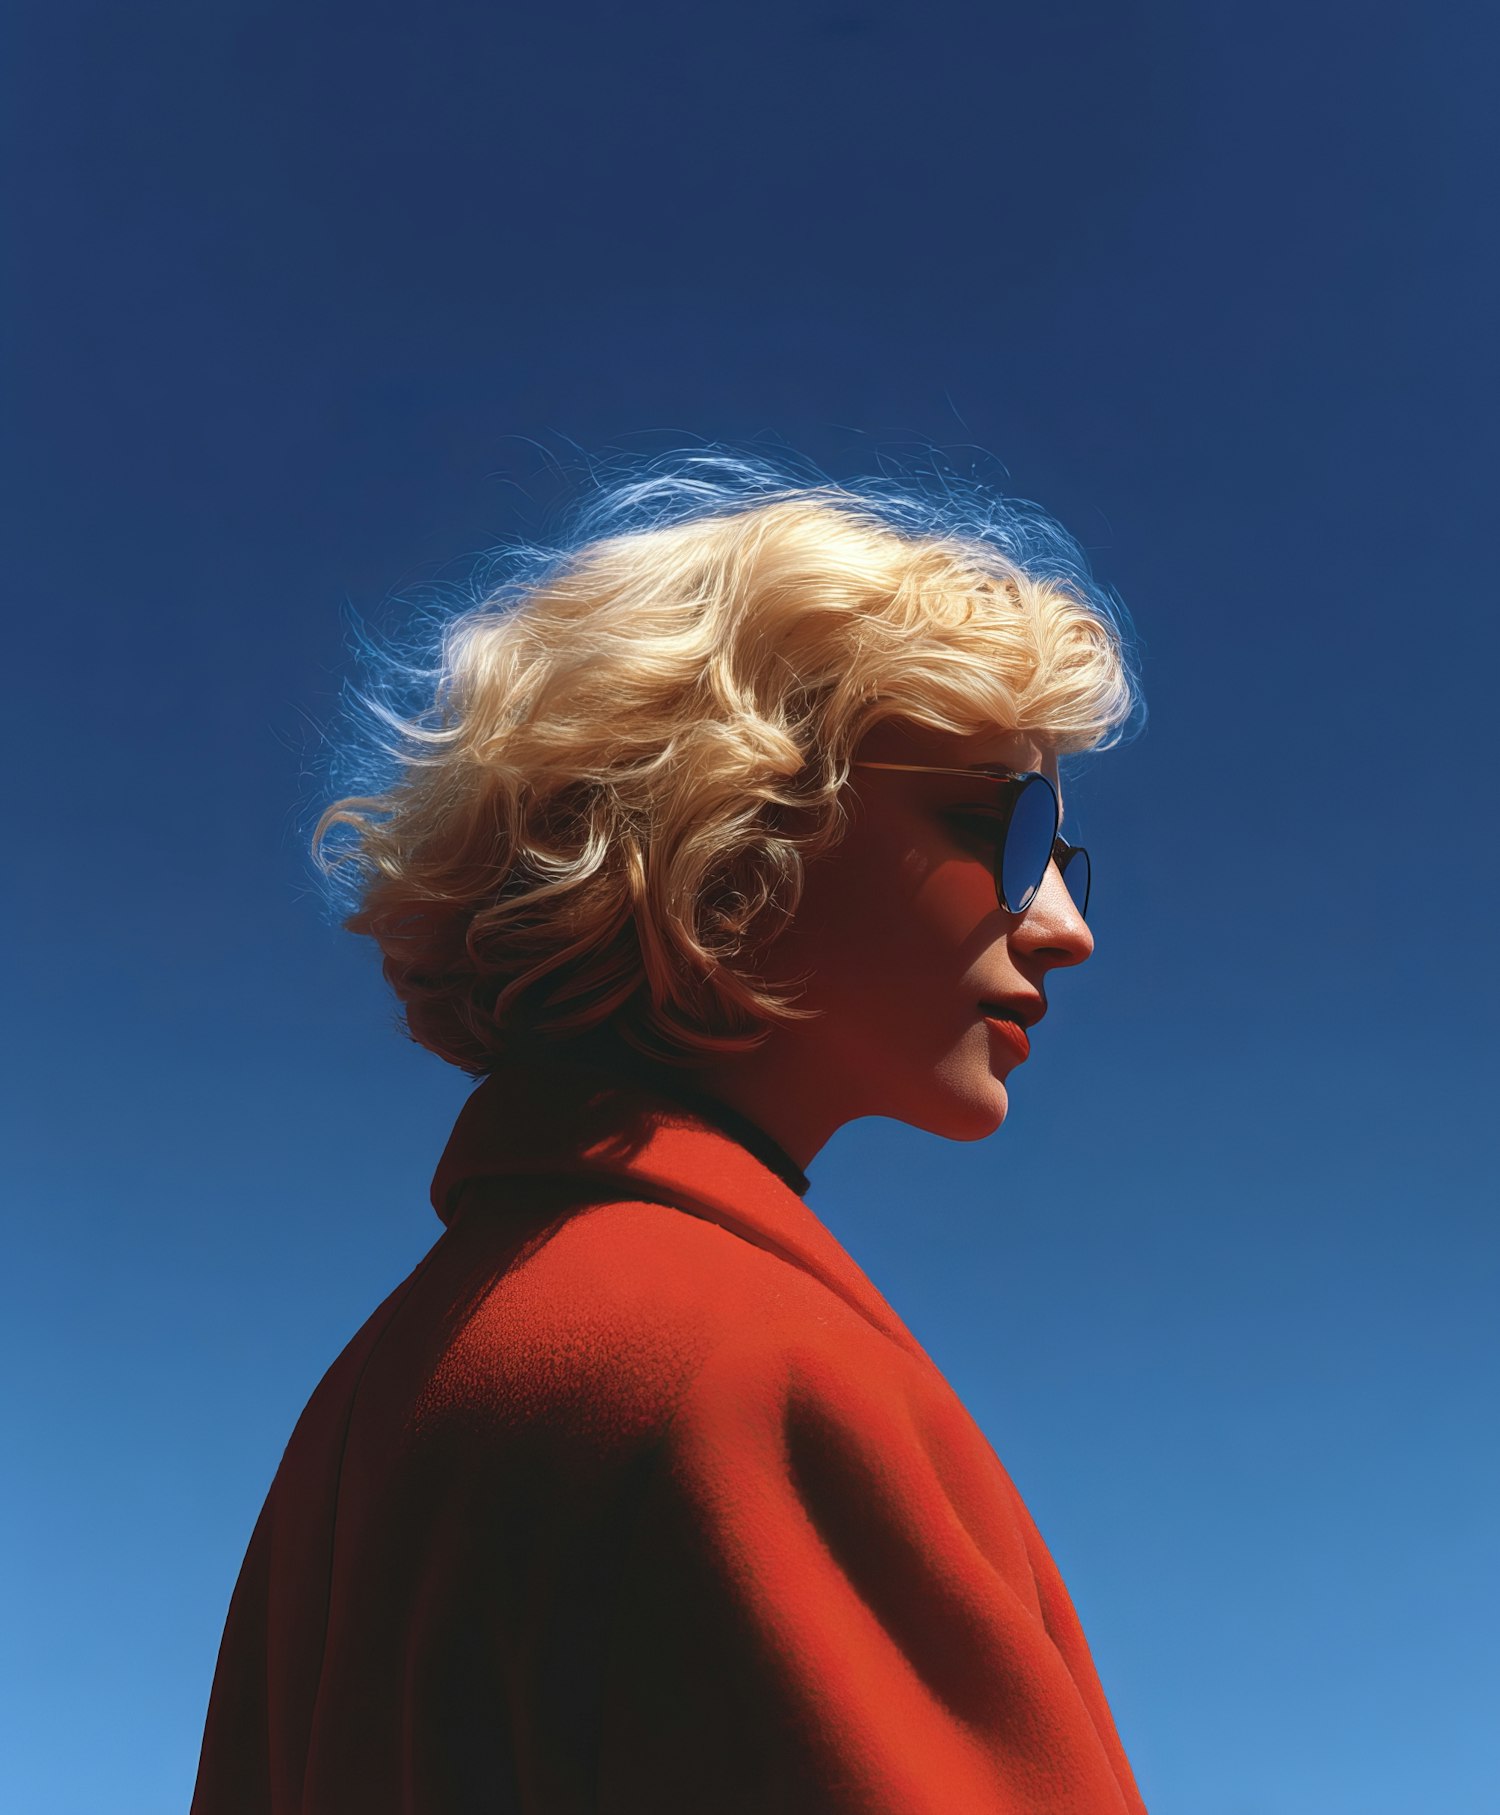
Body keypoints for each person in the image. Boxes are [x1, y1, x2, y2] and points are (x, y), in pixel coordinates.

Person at [190, 449, 1149, 1812]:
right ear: (732, 827)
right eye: (1000, 822)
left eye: (1065, 859)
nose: (1064, 927)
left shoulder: (371, 1400)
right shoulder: (751, 1373)